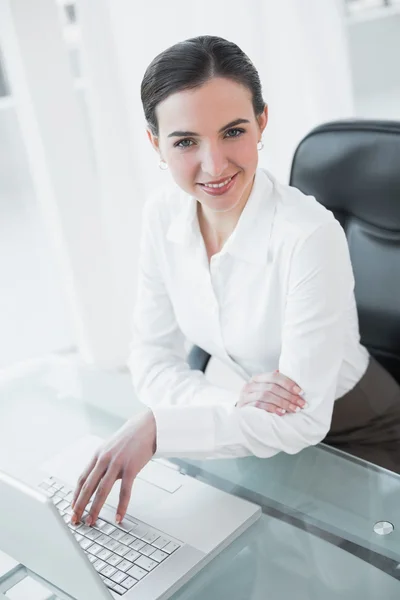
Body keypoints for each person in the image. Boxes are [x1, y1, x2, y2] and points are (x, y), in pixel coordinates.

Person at [70, 35, 400, 527]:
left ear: (261, 121)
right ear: (155, 142)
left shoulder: (309, 235)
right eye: (185, 141)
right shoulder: (162, 216)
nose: (215, 165)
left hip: (359, 428)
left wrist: (161, 426)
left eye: (233, 132)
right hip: (259, 427)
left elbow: (304, 421)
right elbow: (150, 358)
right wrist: (229, 403)